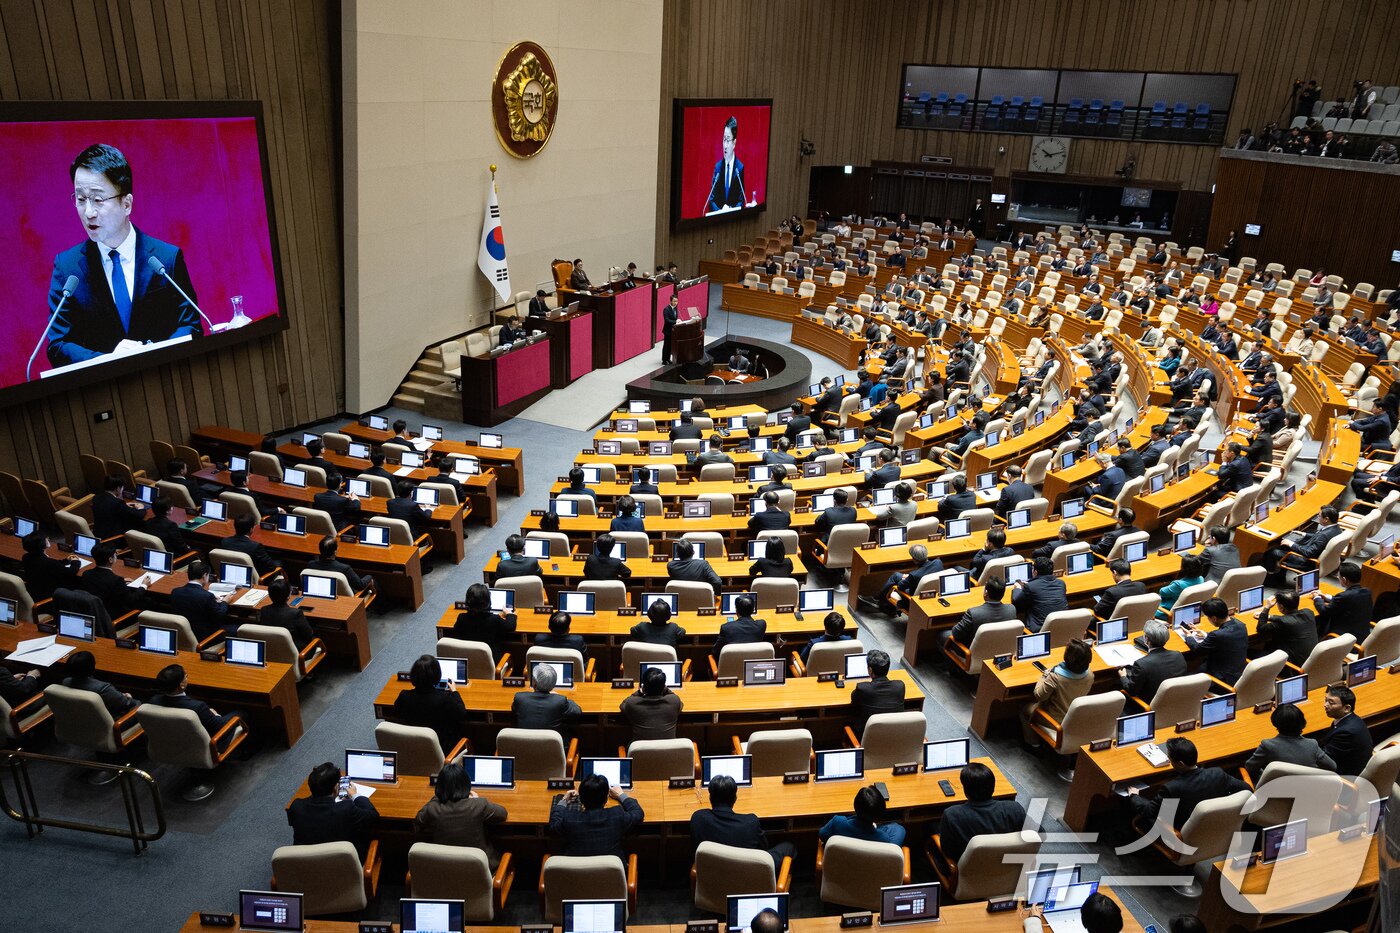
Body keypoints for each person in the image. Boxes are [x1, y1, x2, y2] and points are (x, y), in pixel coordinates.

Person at [45, 143, 202, 367]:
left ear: (126, 204)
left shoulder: (166, 259)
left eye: (98, 200)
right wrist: (109, 361)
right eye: (81, 199)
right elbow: (58, 345)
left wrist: (153, 355)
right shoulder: (67, 268)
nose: (88, 212)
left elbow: (192, 326)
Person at [1126, 737, 1249, 831]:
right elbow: (1246, 789)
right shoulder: (1217, 773)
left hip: (1180, 831)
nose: (1168, 759)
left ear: (1180, 764)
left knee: (1140, 815)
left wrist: (1134, 796)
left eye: (1169, 757)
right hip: (1213, 826)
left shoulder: (1172, 788)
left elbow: (1149, 811)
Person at [690, 773, 796, 870]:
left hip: (713, 876)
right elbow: (763, 848)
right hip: (751, 874)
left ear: (710, 797)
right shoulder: (750, 822)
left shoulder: (698, 819)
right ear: (735, 798)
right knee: (788, 847)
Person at [413, 762, 508, 867]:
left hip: (444, 870)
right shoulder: (479, 805)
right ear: (466, 784)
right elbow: (503, 814)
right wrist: (475, 800)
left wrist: (437, 798)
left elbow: (419, 819)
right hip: (479, 871)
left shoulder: (432, 808)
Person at [286, 762, 379, 858]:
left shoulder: (296, 806)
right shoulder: (345, 809)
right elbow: (373, 815)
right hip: (344, 865)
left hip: (306, 864)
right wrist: (355, 795)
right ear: (336, 787)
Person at [938, 762, 1027, 862]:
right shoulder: (1015, 809)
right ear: (993, 788)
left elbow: (948, 851)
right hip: (1010, 868)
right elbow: (1038, 835)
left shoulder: (952, 815)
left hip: (971, 872)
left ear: (966, 791)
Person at [549, 772, 644, 858]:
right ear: (606, 798)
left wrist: (564, 800)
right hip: (612, 875)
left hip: (576, 874)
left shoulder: (570, 819)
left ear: (581, 798)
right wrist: (621, 794)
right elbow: (638, 813)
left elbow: (554, 823)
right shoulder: (617, 815)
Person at [1022, 638, 1094, 745]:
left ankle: (1033, 744)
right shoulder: (1090, 675)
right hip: (1073, 718)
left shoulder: (1055, 677)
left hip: (1053, 720)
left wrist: (1045, 675)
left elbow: (1039, 695)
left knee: (1023, 709)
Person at [1244, 703, 1336, 781]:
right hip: (1309, 791)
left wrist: (1267, 773)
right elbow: (1332, 766)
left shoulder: (1268, 746)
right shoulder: (1312, 744)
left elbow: (1250, 768)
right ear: (1302, 722)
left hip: (1277, 793)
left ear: (1275, 722)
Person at [150, 663, 241, 740]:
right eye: (186, 676)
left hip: (170, 741)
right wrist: (216, 715)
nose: (187, 677)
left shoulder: (154, 701)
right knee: (240, 713)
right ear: (181, 685)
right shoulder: (197, 707)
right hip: (205, 744)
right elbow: (219, 727)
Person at [1183, 598, 1248, 686]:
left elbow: (1198, 650)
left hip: (1222, 679)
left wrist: (1189, 636)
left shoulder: (1217, 635)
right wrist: (1205, 634)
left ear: (1214, 618)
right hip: (1238, 672)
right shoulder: (1241, 625)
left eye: (1208, 617)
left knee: (1185, 679)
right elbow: (1225, 637)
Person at [863, 544, 943, 615]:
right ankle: (885, 604)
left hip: (913, 596)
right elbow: (925, 573)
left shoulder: (914, 575)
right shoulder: (938, 562)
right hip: (932, 594)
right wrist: (909, 577)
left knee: (895, 578)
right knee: (897, 575)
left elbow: (900, 587)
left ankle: (877, 599)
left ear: (914, 559)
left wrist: (907, 578)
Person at [1118, 621, 1188, 702]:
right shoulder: (1178, 655)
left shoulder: (1141, 664)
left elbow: (1131, 691)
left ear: (1147, 640)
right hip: (1175, 700)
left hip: (1149, 704)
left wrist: (1123, 676)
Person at [63, 649, 139, 720]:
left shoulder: (65, 682)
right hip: (110, 723)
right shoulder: (103, 689)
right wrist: (129, 698)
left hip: (79, 722)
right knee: (139, 704)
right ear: (93, 668)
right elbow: (126, 704)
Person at [820, 784, 906, 845]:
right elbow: (899, 831)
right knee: (895, 827)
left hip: (841, 868)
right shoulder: (884, 840)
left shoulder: (837, 823)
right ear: (881, 813)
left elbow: (822, 834)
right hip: (872, 869)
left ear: (855, 806)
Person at [450, 582, 517, 658]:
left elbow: (455, 635)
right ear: (488, 601)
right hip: (491, 662)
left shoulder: (461, 618)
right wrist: (510, 614)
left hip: (468, 660)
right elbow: (511, 626)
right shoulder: (494, 619)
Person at [168, 560, 231, 640]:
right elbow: (219, 614)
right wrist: (225, 601)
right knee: (237, 629)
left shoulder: (175, 592)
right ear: (204, 576)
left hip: (182, 634)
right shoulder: (207, 596)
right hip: (204, 636)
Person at [947, 576, 1017, 648]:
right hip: (1001, 650)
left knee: (943, 635)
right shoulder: (1011, 609)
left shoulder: (973, 613)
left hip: (971, 653)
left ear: (986, 593)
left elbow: (956, 634)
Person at [511, 663, 582, 732]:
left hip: (524, 743)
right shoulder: (560, 701)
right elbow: (577, 711)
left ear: (534, 682)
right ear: (553, 685)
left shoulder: (520, 698)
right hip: (552, 744)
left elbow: (514, 710)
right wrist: (565, 699)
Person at [1255, 590, 1318, 667]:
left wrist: (1266, 608)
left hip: (1292, 667)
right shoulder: (1309, 613)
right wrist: (1270, 617)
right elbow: (1291, 618)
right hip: (1311, 662)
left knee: (1251, 652)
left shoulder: (1283, 622)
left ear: (1281, 606)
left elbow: (1261, 629)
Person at [1321, 685, 1374, 776]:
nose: (1325, 705)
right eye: (1326, 700)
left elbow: (1324, 758)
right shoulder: (1352, 719)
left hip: (1346, 777)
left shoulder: (1347, 732)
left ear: (1346, 708)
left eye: (1331, 703)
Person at [619, 666, 683, 741]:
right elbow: (675, 698)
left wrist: (639, 691)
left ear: (644, 687)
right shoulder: (674, 701)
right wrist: (664, 688)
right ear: (663, 687)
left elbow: (622, 705)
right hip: (669, 751)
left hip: (639, 752)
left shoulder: (632, 703)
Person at [1313, 561, 1373, 640]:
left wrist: (1317, 598)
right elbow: (1348, 600)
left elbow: (1324, 611)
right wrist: (1326, 597)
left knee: (1320, 618)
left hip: (1345, 638)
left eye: (1339, 576)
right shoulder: (1367, 592)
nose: (1338, 578)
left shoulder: (1344, 596)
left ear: (1344, 580)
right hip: (1362, 635)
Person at [850, 649, 906, 730]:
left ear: (870, 670)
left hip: (867, 738)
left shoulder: (863, 688)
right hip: (894, 735)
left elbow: (854, 700)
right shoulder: (900, 686)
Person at [18, 531, 81, 602]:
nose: (48, 539)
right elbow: (71, 572)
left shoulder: (26, 557)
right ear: (41, 544)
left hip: (35, 588)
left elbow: (54, 565)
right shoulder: (49, 563)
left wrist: (66, 560)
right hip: (48, 594)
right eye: (46, 539)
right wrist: (76, 562)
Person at [1012, 556, 1068, 633]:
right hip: (1061, 628)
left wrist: (1017, 588)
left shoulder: (1031, 586)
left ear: (1035, 572)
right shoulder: (1061, 584)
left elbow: (1016, 601)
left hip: (1039, 631)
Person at [259, 576, 316, 650]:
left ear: (269, 595)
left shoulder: (264, 610)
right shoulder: (296, 613)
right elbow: (308, 636)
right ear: (288, 596)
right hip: (297, 653)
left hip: (271, 650)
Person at [706, 115, 746, 214]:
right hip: (717, 221)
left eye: (728, 140)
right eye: (724, 139)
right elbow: (711, 200)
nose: (725, 145)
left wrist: (730, 211)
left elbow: (741, 202)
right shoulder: (718, 167)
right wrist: (721, 212)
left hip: (734, 221)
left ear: (734, 143)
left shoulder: (739, 168)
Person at [217, 513, 278, 577]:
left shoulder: (225, 542)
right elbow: (271, 567)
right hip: (251, 577)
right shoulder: (255, 547)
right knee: (279, 563)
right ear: (251, 529)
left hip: (229, 574)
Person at [307, 535, 372, 594]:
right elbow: (360, 586)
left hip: (321, 594)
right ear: (335, 552)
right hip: (346, 599)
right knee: (373, 581)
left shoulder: (311, 564)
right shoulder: (344, 569)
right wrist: (370, 576)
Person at [1157, 553, 1206, 619]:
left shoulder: (1178, 585)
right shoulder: (1201, 579)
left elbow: (1162, 592)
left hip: (1167, 611)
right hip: (1188, 611)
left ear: (1184, 569)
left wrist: (1171, 583)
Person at [661, 293, 679, 364]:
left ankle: (668, 359)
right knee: (666, 345)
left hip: (673, 330)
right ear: (671, 301)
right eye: (674, 301)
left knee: (671, 346)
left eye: (677, 301)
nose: (675, 303)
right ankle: (664, 360)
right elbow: (667, 320)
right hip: (668, 330)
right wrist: (675, 321)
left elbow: (675, 317)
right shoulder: (666, 309)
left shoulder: (675, 309)